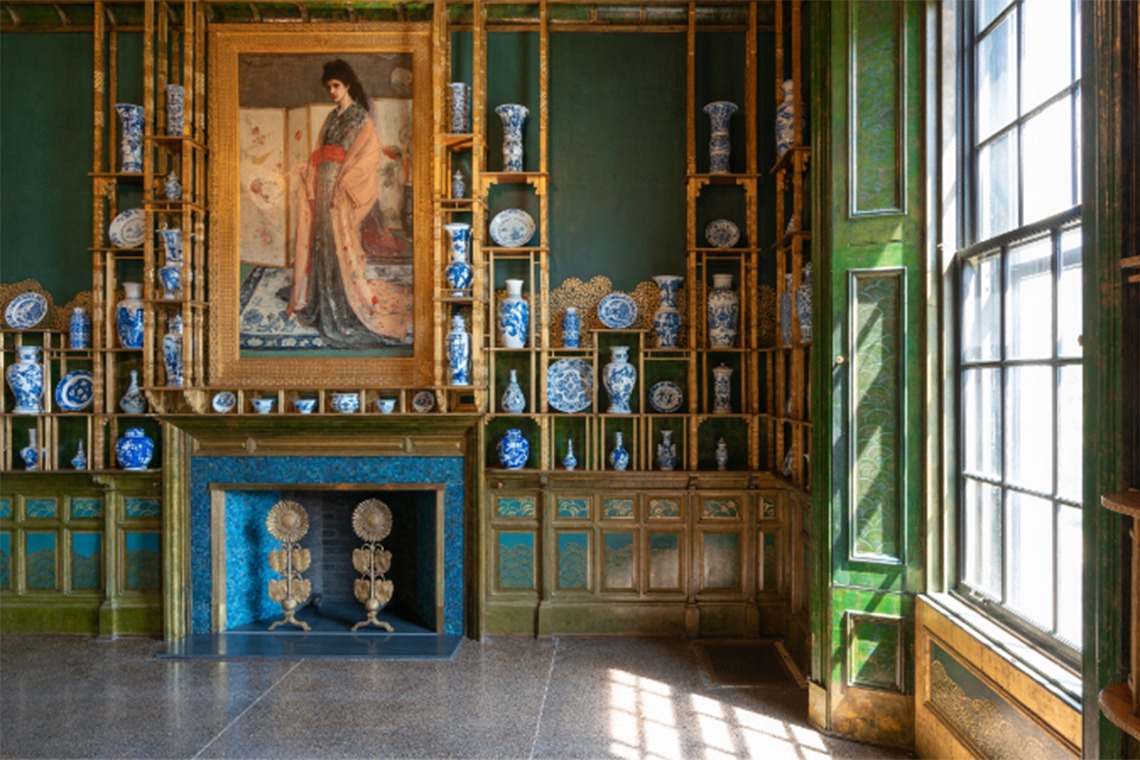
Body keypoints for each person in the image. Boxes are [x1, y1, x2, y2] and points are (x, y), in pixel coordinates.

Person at [286, 59, 412, 348]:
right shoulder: (331, 117)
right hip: (322, 186)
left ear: (348, 85)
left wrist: (343, 182)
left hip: (341, 190)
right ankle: (322, 298)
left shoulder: (360, 117)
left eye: (336, 86)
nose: (331, 91)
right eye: (328, 87)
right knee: (321, 241)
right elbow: (320, 151)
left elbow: (369, 155)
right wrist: (309, 170)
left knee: (338, 242)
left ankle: (342, 302)